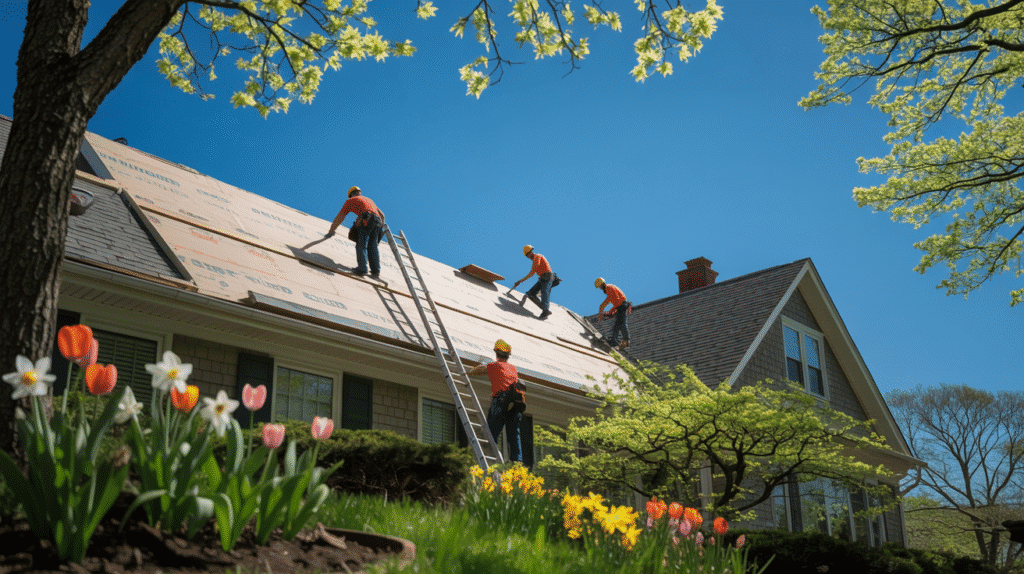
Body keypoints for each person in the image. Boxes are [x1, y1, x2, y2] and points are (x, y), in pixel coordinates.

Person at [467, 339, 525, 463]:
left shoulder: (494, 365)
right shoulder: (513, 369)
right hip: (516, 404)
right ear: (508, 356)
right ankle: (517, 464)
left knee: (491, 434)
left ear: (496, 353)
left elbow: (480, 369)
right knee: (514, 435)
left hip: (501, 401)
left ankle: (492, 460)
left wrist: (469, 372)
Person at [326, 186, 385, 277]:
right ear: (359, 193)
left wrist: (331, 231)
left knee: (361, 244)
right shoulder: (369, 200)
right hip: (377, 221)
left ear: (351, 195)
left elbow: (340, 217)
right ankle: (375, 271)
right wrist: (378, 228)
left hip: (367, 218)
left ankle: (362, 269)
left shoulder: (350, 201)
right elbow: (382, 216)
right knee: (373, 246)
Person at [513, 245, 553, 319]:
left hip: (547, 277)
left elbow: (532, 273)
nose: (528, 257)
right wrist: (520, 281)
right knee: (530, 294)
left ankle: (545, 311)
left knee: (545, 293)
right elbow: (532, 272)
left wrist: (520, 281)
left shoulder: (537, 257)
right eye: (527, 255)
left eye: (528, 254)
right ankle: (545, 309)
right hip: (542, 278)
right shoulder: (535, 259)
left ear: (530, 252)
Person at [595, 277, 630, 349]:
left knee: (622, 324)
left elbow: (617, 301)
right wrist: (609, 310)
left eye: (599, 287)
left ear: (601, 285)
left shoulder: (608, 288)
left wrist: (610, 311)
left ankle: (625, 341)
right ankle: (614, 341)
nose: (600, 289)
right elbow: (608, 302)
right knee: (617, 325)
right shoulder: (610, 288)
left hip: (622, 307)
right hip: (621, 307)